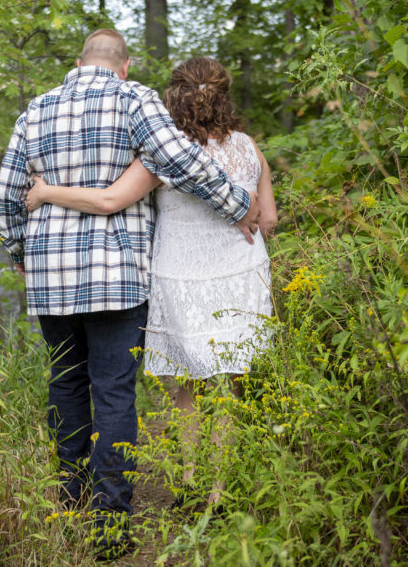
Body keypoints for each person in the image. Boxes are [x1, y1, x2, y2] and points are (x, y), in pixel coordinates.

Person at [0, 31, 260, 559]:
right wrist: (236, 205)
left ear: (77, 62)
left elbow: (3, 197)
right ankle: (111, 524)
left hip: (51, 276)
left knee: (66, 384)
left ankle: (71, 504)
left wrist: (19, 248)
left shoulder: (35, 110)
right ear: (125, 66)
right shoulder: (134, 99)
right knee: (114, 390)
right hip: (118, 274)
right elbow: (182, 159)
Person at [25, 56, 277, 510]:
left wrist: (45, 193)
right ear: (224, 95)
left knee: (185, 391)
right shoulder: (248, 146)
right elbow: (269, 219)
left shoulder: (165, 152)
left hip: (180, 274)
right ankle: (222, 489)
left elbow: (110, 199)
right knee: (230, 385)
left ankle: (188, 480)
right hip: (241, 273)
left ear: (173, 96)